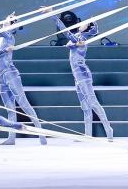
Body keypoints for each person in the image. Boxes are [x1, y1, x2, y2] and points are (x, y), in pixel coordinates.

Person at [0, 1, 46, 145]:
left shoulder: (8, 36)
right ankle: (11, 138)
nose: (6, 20)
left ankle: (41, 134)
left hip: (10, 73)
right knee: (9, 109)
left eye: (9, 20)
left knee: (24, 104)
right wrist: (2, 50)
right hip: (0, 76)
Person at [49, 9, 114, 140]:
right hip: (77, 75)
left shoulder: (81, 37)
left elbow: (65, 31)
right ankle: (87, 134)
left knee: (93, 103)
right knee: (85, 106)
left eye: (85, 23)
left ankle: (108, 129)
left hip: (82, 73)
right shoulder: (78, 36)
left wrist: (52, 15)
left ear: (87, 27)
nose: (81, 23)